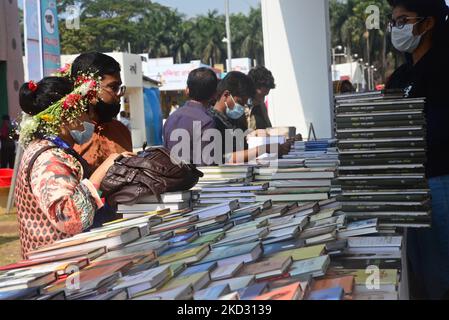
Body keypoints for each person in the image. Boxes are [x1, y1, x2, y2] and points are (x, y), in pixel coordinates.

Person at [15, 77, 131, 258]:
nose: (90, 119)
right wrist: (103, 170)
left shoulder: (50, 149)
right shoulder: (49, 159)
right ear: (63, 116)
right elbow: (71, 218)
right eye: (84, 111)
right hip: (57, 269)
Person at [385, 0, 449, 300]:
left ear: (428, 23)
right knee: (417, 272)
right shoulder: (400, 76)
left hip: (438, 181)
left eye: (403, 21)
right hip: (407, 187)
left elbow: (439, 130)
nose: (396, 29)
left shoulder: (442, 68)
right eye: (393, 22)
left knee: (441, 272)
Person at [210, 71, 291, 164]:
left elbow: (243, 149)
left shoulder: (233, 120)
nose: (241, 107)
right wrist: (263, 149)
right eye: (240, 102)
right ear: (226, 95)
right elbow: (224, 158)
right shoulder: (213, 122)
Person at [70, 52, 133, 171]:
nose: (118, 95)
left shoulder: (121, 130)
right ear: (89, 89)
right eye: (113, 88)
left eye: (119, 88)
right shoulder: (69, 136)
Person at [163, 67, 218, 165]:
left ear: (187, 90)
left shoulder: (171, 118)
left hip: (170, 177)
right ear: (214, 94)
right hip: (194, 179)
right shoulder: (206, 121)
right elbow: (207, 165)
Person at [247, 66, 275, 130]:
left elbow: (269, 130)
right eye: (261, 95)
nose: (262, 100)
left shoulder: (262, 106)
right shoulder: (241, 109)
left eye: (265, 96)